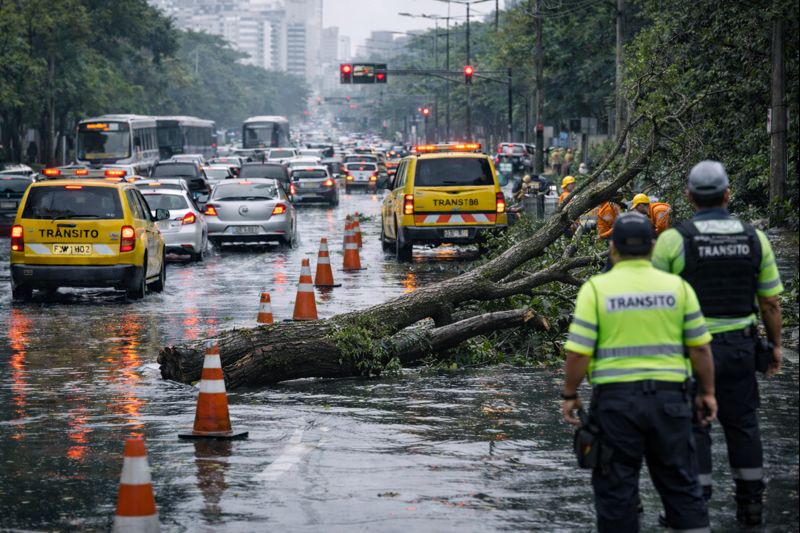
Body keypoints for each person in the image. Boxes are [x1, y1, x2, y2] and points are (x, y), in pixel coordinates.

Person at [561, 212, 717, 533]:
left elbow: (578, 352)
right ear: (653, 246)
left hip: (616, 408)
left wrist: (570, 394)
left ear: (612, 248)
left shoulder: (596, 289)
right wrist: (707, 393)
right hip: (672, 404)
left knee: (617, 493)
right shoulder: (678, 287)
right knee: (682, 489)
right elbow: (701, 349)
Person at [651, 160, 784, 526]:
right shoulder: (754, 238)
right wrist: (774, 347)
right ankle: (751, 504)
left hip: (690, 352)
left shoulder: (673, 240)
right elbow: (770, 303)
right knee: (743, 425)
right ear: (728, 194)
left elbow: (657, 299)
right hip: (741, 348)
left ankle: (695, 504)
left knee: (695, 425)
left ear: (689, 196)